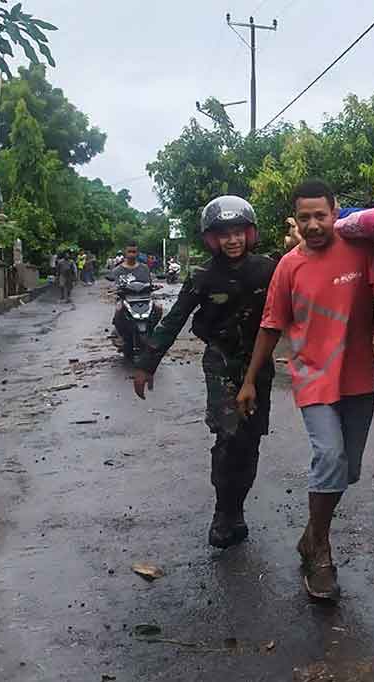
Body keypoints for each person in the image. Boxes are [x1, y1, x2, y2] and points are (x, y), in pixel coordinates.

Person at [237, 178, 374, 603]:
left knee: (347, 469)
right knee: (329, 456)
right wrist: (250, 380)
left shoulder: (360, 248)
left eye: (321, 215)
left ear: (336, 211)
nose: (314, 224)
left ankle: (309, 535)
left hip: (358, 376)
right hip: (313, 376)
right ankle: (321, 552)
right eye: (305, 217)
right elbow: (271, 326)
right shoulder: (289, 265)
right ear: (295, 219)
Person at [132, 196, 276, 548]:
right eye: (223, 234)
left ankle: (237, 506)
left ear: (249, 233)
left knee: (250, 439)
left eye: (238, 232)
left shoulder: (269, 269)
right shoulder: (203, 277)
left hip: (259, 365)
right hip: (220, 361)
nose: (232, 240)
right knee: (228, 437)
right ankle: (224, 511)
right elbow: (175, 317)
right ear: (212, 239)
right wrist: (147, 363)